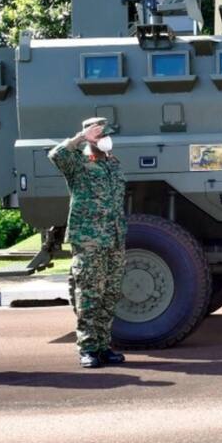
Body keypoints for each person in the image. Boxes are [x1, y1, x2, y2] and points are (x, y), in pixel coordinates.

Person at [49, 117, 128, 369]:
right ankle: (88, 349)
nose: (105, 139)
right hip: (89, 239)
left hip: (114, 239)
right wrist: (80, 138)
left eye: (107, 135)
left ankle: (104, 346)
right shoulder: (78, 163)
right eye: (100, 135)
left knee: (110, 294)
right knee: (89, 295)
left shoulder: (112, 164)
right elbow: (55, 154)